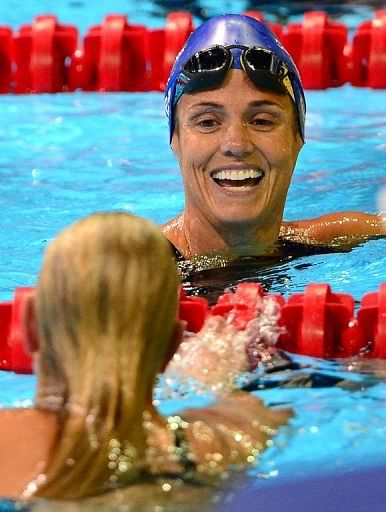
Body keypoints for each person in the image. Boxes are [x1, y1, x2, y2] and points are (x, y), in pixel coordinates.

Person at [0, 212, 291, 503]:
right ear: (172, 347)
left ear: (28, 326)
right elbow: (269, 415)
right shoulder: (218, 443)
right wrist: (221, 384)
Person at [161, 14, 386, 262]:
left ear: (297, 137)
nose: (236, 145)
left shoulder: (326, 243)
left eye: (262, 121)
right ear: (176, 141)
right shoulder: (137, 267)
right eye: (207, 122)